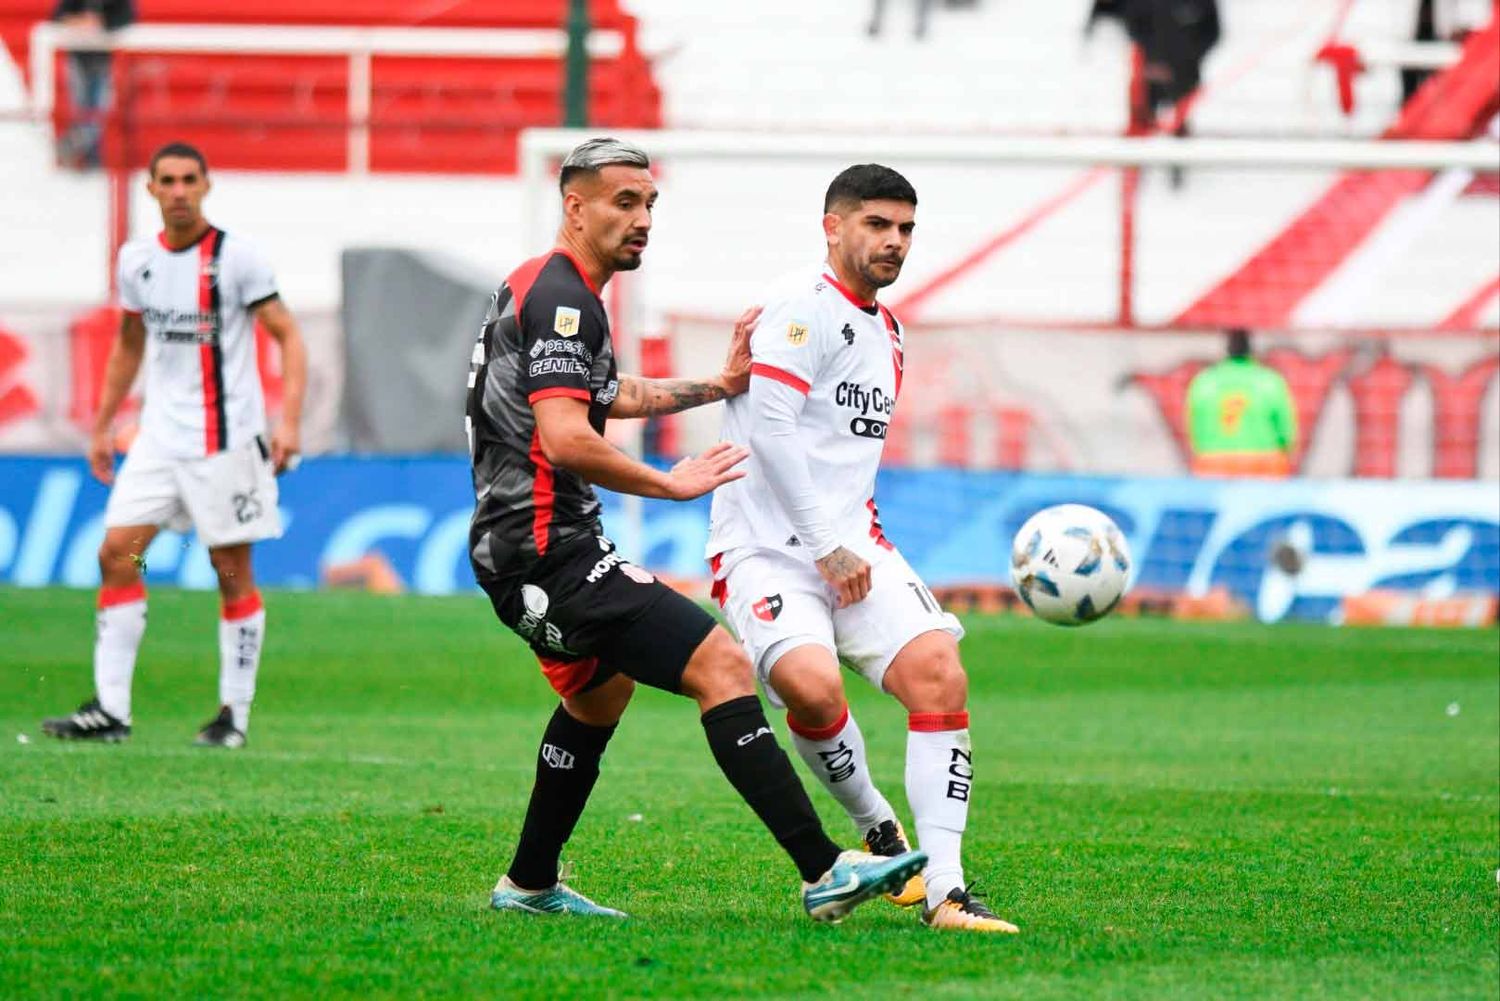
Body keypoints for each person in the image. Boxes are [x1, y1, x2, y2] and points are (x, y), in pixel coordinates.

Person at [465, 137, 924, 921]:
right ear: (573, 205)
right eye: (622, 202)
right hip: (546, 548)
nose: (642, 219)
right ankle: (823, 867)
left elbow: (612, 393)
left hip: (528, 547)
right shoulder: (563, 299)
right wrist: (667, 482)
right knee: (720, 661)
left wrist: (717, 383)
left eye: (649, 205)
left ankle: (530, 882)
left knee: (597, 698)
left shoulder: (550, 289)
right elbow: (567, 437)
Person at [705, 164, 1018, 934]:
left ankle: (947, 891)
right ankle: (879, 825)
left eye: (906, 229)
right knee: (813, 691)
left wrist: (845, 545)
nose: (894, 242)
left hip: (854, 545)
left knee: (941, 674)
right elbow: (772, 432)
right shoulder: (797, 309)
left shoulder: (889, 331)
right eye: (877, 224)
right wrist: (822, 546)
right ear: (833, 226)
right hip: (768, 552)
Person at [41, 142, 308, 748]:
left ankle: (232, 717)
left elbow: (287, 336)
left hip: (226, 444)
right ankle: (111, 710)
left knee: (230, 570)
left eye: (190, 179)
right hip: (159, 442)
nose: (180, 190)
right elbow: (129, 342)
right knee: (118, 555)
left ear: (207, 186)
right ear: (152, 190)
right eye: (169, 180)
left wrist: (288, 423)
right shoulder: (136, 261)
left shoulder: (238, 259)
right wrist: (103, 424)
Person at [1185, 328, 1298, 477]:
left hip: (1214, 462)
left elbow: (1195, 430)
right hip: (1263, 463)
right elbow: (1286, 432)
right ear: (1251, 350)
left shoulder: (1204, 381)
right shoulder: (1269, 380)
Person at [52, 0, 136, 169]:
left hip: (103, 62)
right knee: (81, 110)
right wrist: (78, 21)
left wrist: (100, 23)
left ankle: (74, 147)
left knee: (98, 112)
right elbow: (58, 16)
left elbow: (125, 17)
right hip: (79, 59)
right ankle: (89, 159)